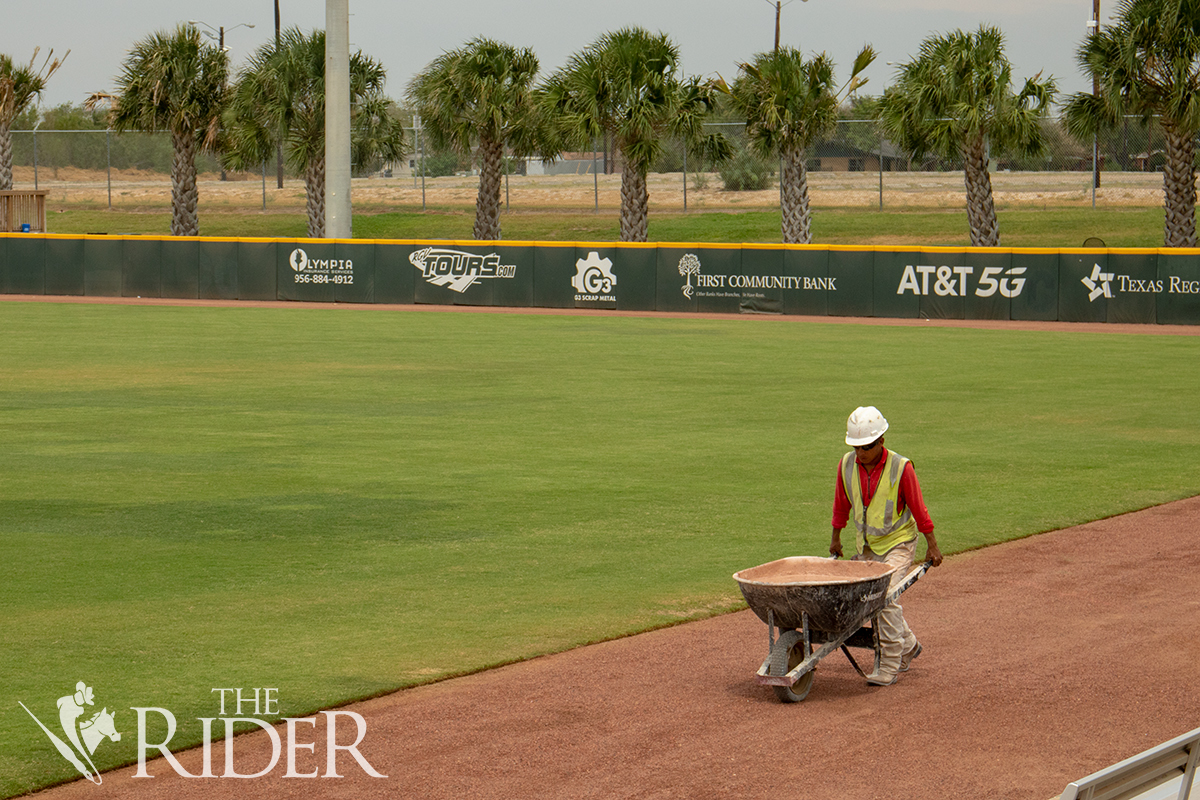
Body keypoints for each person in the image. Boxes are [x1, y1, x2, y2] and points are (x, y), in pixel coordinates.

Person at [830, 406, 943, 687]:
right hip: (867, 546)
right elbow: (841, 505)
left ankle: (891, 662)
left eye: (866, 447)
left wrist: (932, 545)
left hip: (899, 543)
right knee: (868, 598)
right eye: (856, 447)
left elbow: (919, 507)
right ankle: (908, 645)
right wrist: (835, 538)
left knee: (883, 596)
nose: (860, 453)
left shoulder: (901, 467)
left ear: (881, 441)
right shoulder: (846, 465)